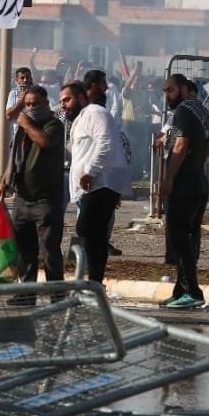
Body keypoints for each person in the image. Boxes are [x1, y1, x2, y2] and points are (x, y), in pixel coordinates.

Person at [0, 85, 65, 304]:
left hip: (45, 200)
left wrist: (26, 123)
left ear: (45, 104)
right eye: (27, 104)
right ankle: (26, 294)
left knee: (49, 252)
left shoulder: (53, 125)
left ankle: (58, 296)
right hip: (22, 199)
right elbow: (14, 155)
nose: (31, 108)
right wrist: (6, 179)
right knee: (25, 251)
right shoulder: (21, 129)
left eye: (35, 104)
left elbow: (44, 142)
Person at [60, 79, 132, 284]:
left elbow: (106, 143)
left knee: (88, 231)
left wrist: (89, 172)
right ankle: (94, 280)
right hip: (91, 186)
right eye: (62, 101)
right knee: (92, 233)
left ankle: (94, 280)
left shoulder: (95, 113)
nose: (63, 105)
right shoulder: (81, 118)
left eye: (67, 100)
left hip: (100, 184)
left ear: (81, 98)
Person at [160, 74, 209, 309]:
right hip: (198, 180)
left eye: (170, 90)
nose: (167, 96)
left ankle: (192, 291)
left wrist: (169, 177)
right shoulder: (202, 111)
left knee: (178, 238)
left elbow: (180, 145)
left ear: (183, 88)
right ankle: (180, 290)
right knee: (187, 238)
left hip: (184, 184)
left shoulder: (183, 110)